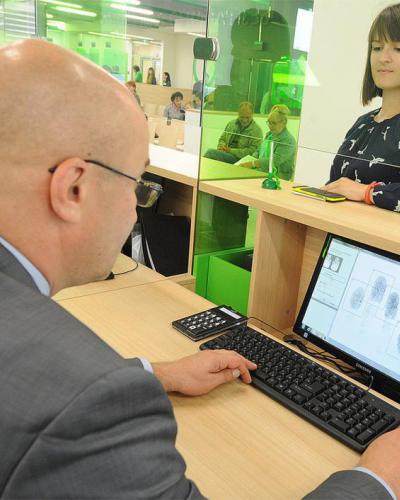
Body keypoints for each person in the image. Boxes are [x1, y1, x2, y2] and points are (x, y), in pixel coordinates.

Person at [1, 40, 399, 500]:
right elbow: (70, 394)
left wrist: (153, 374)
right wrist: (378, 478)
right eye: (138, 184)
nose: (137, 208)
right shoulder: (92, 406)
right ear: (73, 189)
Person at [325, 3, 400, 212]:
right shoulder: (363, 123)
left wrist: (366, 192)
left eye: (398, 48)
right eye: (377, 47)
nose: (383, 58)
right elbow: (336, 184)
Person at [240, 104, 297, 180]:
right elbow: (258, 150)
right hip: (262, 169)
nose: (270, 126)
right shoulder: (269, 135)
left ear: (284, 122)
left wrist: (253, 163)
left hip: (278, 175)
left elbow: (275, 161)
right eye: (269, 122)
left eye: (274, 123)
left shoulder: (288, 140)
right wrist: (250, 159)